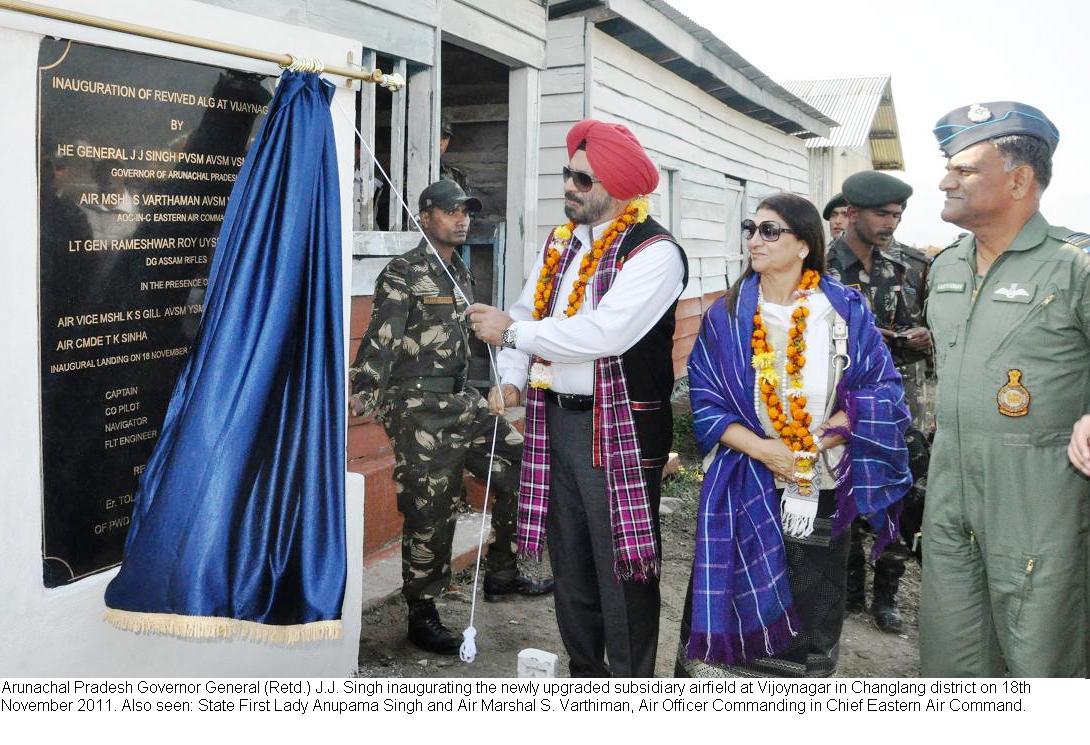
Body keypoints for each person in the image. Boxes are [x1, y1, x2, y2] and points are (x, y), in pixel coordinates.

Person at [465, 119, 686, 677]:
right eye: (568, 174)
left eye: (583, 180)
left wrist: (513, 338)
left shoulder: (655, 253)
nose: (569, 186)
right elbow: (524, 312)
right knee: (571, 566)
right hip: (555, 422)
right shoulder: (560, 244)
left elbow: (603, 334)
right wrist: (512, 377)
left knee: (623, 570)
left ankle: (631, 686)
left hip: (619, 430)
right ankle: (585, 678)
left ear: (619, 187)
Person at [678, 192, 911, 677]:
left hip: (818, 481)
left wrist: (825, 437)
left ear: (804, 244)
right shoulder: (728, 314)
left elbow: (882, 388)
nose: (754, 240)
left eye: (769, 230)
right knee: (734, 600)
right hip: (744, 480)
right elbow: (705, 400)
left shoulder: (844, 310)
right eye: (751, 228)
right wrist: (766, 450)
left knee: (810, 608)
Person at [921, 101, 1090, 676]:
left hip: (1040, 493)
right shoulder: (945, 268)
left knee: (1040, 651)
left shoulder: (1074, 265)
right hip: (950, 485)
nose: (946, 180)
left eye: (965, 170)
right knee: (952, 649)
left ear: (1019, 179)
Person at [349, 180, 552, 656]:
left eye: (466, 211)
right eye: (451, 211)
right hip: (419, 411)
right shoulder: (403, 272)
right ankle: (422, 612)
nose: (462, 219)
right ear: (425, 215)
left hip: (463, 404)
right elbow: (382, 338)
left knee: (522, 466)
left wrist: (497, 383)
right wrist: (363, 390)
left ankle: (502, 572)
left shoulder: (459, 271)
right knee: (431, 508)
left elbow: (472, 342)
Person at [826, 171, 930, 633]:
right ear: (850, 214)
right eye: (881, 214)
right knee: (841, 491)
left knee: (898, 494)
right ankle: (847, 589)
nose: (891, 223)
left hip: (891, 406)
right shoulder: (818, 267)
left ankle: (886, 594)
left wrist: (921, 336)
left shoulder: (899, 269)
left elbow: (916, 330)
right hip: (838, 403)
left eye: (897, 215)